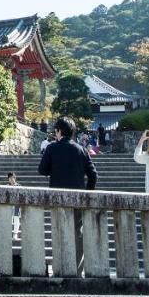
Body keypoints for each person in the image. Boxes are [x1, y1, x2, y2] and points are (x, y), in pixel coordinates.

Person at [38, 116, 98, 277]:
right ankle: (77, 270)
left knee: (59, 232)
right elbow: (93, 174)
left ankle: (60, 269)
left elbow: (42, 170)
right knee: (77, 234)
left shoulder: (51, 148)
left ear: (58, 131)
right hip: (77, 198)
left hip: (57, 198)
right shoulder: (81, 149)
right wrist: (87, 193)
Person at [7, 172, 22, 240]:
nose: (12, 179)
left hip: (16, 205)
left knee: (16, 220)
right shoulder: (6, 187)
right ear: (8, 179)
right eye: (10, 178)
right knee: (9, 220)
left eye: (13, 177)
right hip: (8, 205)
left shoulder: (19, 186)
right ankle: (7, 233)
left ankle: (15, 234)